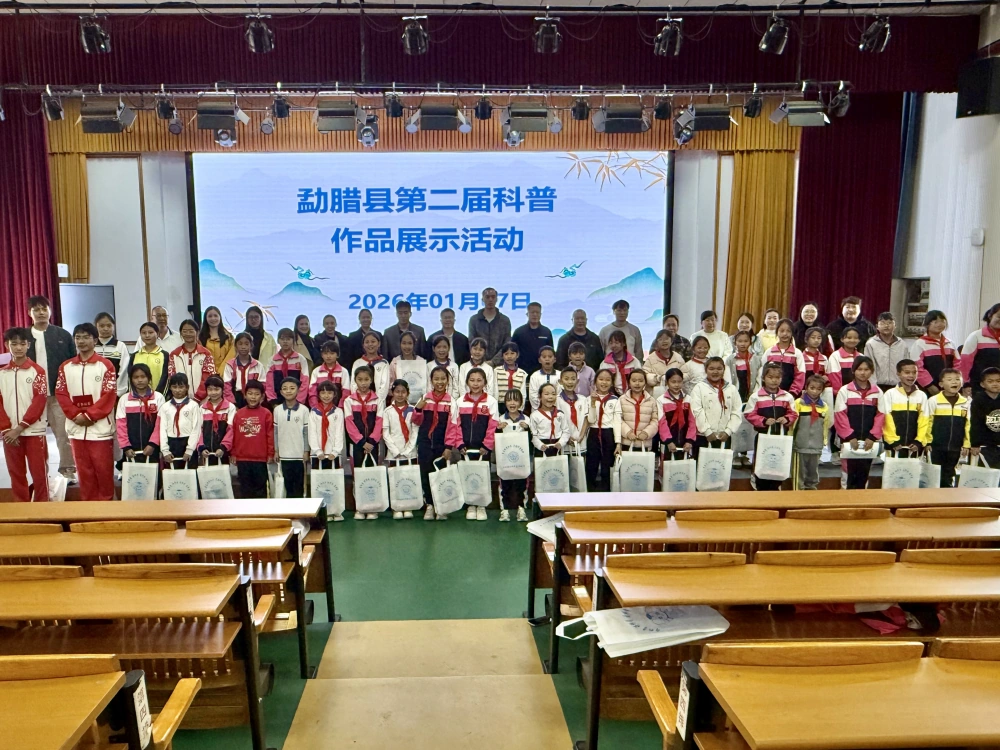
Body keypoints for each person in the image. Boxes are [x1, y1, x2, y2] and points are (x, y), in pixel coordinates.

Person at [54, 323, 117, 500]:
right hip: (76, 429)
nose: (81, 341)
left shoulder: (106, 365)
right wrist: (75, 415)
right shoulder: (65, 367)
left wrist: (90, 415)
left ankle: (107, 508)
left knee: (104, 472)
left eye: (86, 337)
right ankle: (88, 509)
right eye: (78, 337)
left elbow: (109, 394)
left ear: (95, 340)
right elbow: (61, 393)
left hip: (100, 430)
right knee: (84, 473)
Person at [25, 295, 76, 479]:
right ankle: (40, 475)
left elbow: (72, 363)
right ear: (29, 313)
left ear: (50, 311)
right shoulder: (23, 337)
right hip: (32, 396)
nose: (40, 313)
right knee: (34, 437)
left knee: (63, 434)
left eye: (44, 309)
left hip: (58, 395)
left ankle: (68, 471)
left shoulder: (63, 335)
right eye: (36, 309)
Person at [0, 327, 49, 501]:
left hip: (34, 431)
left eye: (22, 344)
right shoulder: (2, 373)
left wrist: (20, 427)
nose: (18, 347)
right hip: (9, 433)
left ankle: (43, 507)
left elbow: (39, 402)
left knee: (39, 473)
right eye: (14, 344)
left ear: (28, 345)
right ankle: (21, 507)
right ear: (7, 345)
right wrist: (7, 429)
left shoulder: (38, 371)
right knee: (16, 473)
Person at [447, 367, 499, 521]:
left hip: (483, 448)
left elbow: (493, 425)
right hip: (465, 447)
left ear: (485, 382)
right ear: (467, 382)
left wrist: (487, 445)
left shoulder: (491, 402)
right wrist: (459, 443)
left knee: (482, 475)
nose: (475, 384)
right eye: (472, 380)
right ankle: (470, 504)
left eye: (479, 380)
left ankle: (481, 505)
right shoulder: (460, 402)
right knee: (467, 475)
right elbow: (456, 425)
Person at [833, 356, 884, 490]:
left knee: (864, 473)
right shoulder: (845, 391)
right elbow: (840, 415)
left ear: (871, 371)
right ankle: (846, 499)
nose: (863, 373)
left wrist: (872, 436)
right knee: (847, 472)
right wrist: (849, 436)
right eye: (859, 369)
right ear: (853, 371)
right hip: (849, 440)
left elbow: (881, 416)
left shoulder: (877, 392)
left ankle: (862, 500)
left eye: (866, 369)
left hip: (868, 440)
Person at [745, 362, 798, 491]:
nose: (774, 380)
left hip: (781, 437)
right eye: (770, 377)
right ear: (763, 378)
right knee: (762, 461)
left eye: (777, 377)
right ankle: (759, 485)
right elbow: (749, 414)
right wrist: (763, 421)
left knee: (778, 462)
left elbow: (794, 413)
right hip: (762, 437)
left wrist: (786, 419)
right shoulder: (756, 396)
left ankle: (776, 486)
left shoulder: (787, 396)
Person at [414, 366, 456, 521]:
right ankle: (430, 505)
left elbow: (453, 426)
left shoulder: (451, 401)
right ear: (431, 381)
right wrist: (418, 410)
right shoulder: (425, 398)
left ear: (448, 381)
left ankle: (441, 507)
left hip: (441, 445)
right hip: (425, 443)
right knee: (425, 474)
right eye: (436, 379)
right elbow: (416, 421)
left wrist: (448, 447)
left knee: (440, 475)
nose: (440, 382)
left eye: (443, 379)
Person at [344, 366, 384, 519]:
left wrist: (372, 441)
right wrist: (361, 441)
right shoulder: (349, 401)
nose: (363, 383)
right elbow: (349, 423)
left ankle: (373, 507)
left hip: (373, 444)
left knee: (372, 474)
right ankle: (360, 507)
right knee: (358, 475)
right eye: (360, 379)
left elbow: (380, 421)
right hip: (356, 444)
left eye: (366, 379)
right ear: (355, 380)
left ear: (372, 380)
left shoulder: (378, 400)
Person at [688, 356, 742, 458]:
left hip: (724, 436)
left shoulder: (731, 389)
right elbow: (696, 411)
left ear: (724, 370)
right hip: (704, 436)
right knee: (702, 464)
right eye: (711, 369)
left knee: (721, 465)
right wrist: (707, 431)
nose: (715, 372)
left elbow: (736, 412)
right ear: (706, 370)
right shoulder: (699, 388)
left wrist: (728, 431)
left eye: (719, 369)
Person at [924, 368, 970, 487]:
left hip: (956, 446)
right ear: (941, 384)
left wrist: (967, 444)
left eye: (957, 379)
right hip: (936, 446)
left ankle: (948, 494)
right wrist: (927, 442)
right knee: (935, 473)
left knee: (950, 472)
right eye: (949, 379)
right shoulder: (933, 401)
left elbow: (968, 425)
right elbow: (927, 422)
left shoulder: (966, 402)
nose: (954, 382)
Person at [230, 380, 274, 498]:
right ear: (244, 395)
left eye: (256, 394)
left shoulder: (266, 413)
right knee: (245, 489)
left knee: (260, 490)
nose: (253, 397)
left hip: (260, 459)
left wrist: (270, 454)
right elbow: (234, 434)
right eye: (250, 393)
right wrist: (233, 453)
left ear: (262, 396)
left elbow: (270, 435)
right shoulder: (239, 414)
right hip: (242, 458)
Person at [115, 362, 163, 468]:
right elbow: (120, 425)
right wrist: (126, 447)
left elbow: (160, 424)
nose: (140, 380)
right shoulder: (124, 399)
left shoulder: (158, 398)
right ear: (131, 379)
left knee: (153, 476)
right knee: (134, 476)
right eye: (136, 377)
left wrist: (153, 444)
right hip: (131, 450)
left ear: (149, 378)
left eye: (143, 376)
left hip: (153, 449)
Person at [383, 379, 419, 520]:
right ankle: (396, 507)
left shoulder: (413, 410)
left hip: (410, 452)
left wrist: (408, 449)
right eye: (397, 391)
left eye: (403, 392)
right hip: (394, 452)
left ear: (408, 393)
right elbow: (386, 433)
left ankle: (408, 505)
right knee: (395, 479)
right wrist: (395, 451)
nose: (400, 395)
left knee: (409, 478)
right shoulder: (388, 411)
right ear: (392, 393)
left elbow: (415, 431)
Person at [308, 381, 345, 508]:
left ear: (334, 394)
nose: (326, 396)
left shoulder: (338, 412)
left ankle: (335, 509)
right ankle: (321, 510)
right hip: (317, 454)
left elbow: (339, 432)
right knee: (319, 484)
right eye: (323, 393)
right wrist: (317, 450)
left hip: (332, 454)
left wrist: (336, 451)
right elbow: (312, 433)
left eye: (329, 393)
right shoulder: (314, 412)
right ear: (318, 394)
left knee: (333, 483)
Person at [881, 359, 928, 456]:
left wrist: (919, 441)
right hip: (894, 446)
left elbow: (924, 420)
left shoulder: (922, 395)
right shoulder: (890, 394)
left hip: (914, 446)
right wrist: (892, 441)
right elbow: (886, 419)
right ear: (898, 373)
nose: (911, 376)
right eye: (907, 372)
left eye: (914, 372)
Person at [496, 389, 530, 522]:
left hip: (521, 460)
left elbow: (531, 439)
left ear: (521, 403)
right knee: (505, 484)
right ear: (505, 402)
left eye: (516, 400)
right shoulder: (500, 419)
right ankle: (504, 510)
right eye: (509, 400)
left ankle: (521, 509)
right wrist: (498, 429)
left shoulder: (526, 419)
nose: (512, 403)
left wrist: (527, 429)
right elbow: (496, 439)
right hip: (505, 460)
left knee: (522, 484)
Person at [273, 377, 310, 498]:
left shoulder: (304, 410)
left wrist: (306, 451)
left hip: (299, 456)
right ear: (281, 391)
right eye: (285, 388)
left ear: (298, 390)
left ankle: (299, 508)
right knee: (287, 486)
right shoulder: (277, 410)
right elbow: (276, 432)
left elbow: (306, 433)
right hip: (284, 455)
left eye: (292, 388)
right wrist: (276, 450)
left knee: (299, 486)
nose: (288, 391)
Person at [792, 374, 830, 490]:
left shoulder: (824, 406)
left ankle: (812, 492)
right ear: (806, 387)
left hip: (816, 446)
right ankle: (798, 494)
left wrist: (824, 441)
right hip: (800, 445)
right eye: (812, 388)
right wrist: (791, 439)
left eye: (818, 389)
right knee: (799, 474)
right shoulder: (798, 403)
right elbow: (793, 424)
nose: (814, 391)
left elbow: (825, 425)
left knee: (813, 473)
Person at [159, 373, 201, 471]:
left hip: (188, 441)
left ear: (187, 387)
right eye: (174, 387)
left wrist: (190, 449)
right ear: (170, 388)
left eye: (181, 387)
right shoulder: (165, 407)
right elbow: (162, 429)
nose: (178, 390)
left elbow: (196, 428)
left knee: (190, 474)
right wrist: (165, 450)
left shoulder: (193, 405)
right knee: (173, 474)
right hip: (171, 443)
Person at [912, 310, 960, 396]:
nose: (939, 324)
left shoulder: (950, 343)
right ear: (927, 324)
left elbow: (958, 364)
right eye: (935, 322)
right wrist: (929, 385)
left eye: (942, 321)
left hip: (949, 387)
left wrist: (954, 381)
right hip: (927, 388)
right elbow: (917, 367)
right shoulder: (920, 343)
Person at [585, 369, 619, 491]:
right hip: (593, 433)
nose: (604, 382)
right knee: (591, 464)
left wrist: (618, 443)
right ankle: (590, 491)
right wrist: (593, 403)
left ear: (612, 383)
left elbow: (617, 422)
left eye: (607, 380)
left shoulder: (615, 400)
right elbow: (591, 419)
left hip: (608, 433)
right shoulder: (589, 399)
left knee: (607, 465)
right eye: (601, 379)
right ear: (595, 382)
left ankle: (607, 492)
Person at [167, 319, 216, 402]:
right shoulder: (174, 354)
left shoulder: (206, 354)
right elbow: (172, 377)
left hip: (204, 400)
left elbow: (209, 377)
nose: (188, 334)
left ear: (197, 332)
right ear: (181, 333)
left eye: (191, 331)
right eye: (184, 331)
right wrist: (183, 397)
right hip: (180, 399)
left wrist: (198, 397)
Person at [615, 370, 661, 452]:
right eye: (634, 381)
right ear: (629, 382)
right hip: (626, 443)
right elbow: (618, 419)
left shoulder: (651, 401)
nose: (637, 383)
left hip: (645, 443)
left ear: (645, 383)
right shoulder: (622, 399)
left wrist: (646, 433)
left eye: (640, 381)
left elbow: (655, 420)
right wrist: (627, 432)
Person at [757, 318, 805, 396]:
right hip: (769, 394)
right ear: (777, 332)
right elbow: (761, 373)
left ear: (792, 333)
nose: (785, 334)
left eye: (788, 331)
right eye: (782, 331)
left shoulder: (797, 353)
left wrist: (793, 393)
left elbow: (800, 375)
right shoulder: (769, 352)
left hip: (791, 395)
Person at [960, 304, 1000, 394]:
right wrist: (965, 383)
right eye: (999, 316)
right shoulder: (976, 336)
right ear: (990, 315)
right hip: (979, 387)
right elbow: (965, 362)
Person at [468, 287, 513, 366]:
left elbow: (506, 344)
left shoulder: (504, 320)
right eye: (487, 297)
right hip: (479, 363)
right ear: (482, 299)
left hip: (500, 365)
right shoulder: (474, 320)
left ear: (497, 299)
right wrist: (482, 361)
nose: (490, 299)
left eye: (493, 297)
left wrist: (494, 362)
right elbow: (472, 342)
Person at [864, 312, 909, 391]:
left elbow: (906, 365)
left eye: (889, 323)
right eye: (882, 323)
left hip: (898, 386)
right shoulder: (871, 344)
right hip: (878, 385)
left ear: (895, 326)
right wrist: (873, 386)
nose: (886, 325)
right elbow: (869, 366)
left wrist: (905, 384)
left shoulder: (902, 344)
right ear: (877, 327)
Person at [265, 328, 310, 406]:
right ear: (278, 340)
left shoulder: (300, 359)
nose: (285, 341)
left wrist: (299, 400)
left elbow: (305, 381)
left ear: (293, 341)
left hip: (297, 401)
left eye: (288, 339)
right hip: (277, 400)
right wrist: (273, 400)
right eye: (282, 339)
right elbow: (269, 382)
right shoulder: (272, 360)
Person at [658, 367, 696, 459]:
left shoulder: (688, 399)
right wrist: (668, 441)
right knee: (667, 465)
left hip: (685, 441)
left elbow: (692, 421)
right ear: (667, 382)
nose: (676, 385)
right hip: (668, 442)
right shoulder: (661, 400)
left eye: (679, 382)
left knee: (684, 465)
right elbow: (661, 422)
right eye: (673, 382)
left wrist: (689, 440)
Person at [224, 332, 266, 410]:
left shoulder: (258, 365)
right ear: (235, 346)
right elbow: (227, 386)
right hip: (236, 397)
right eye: (240, 344)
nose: (243, 347)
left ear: (251, 346)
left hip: (253, 397)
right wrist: (232, 404)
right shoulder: (230, 365)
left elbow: (263, 385)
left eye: (246, 344)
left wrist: (258, 401)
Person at [199, 375, 235, 466]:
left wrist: (223, 447)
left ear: (222, 389)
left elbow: (231, 430)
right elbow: (198, 430)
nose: (213, 392)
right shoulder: (202, 408)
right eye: (210, 389)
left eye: (216, 389)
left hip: (223, 452)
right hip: (206, 453)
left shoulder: (230, 408)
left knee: (224, 474)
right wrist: (201, 447)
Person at [511, 302, 554, 376]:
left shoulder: (546, 332)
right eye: (532, 312)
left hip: (542, 372)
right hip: (521, 371)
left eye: (537, 312)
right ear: (527, 314)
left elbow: (551, 353)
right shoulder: (519, 332)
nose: (535, 315)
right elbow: (512, 351)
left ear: (541, 314)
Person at [94, 312, 131, 396]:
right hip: (95, 391)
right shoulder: (92, 346)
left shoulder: (120, 346)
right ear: (96, 326)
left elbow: (124, 370)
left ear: (114, 326)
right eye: (101, 326)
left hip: (115, 392)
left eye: (109, 325)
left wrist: (118, 392)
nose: (105, 329)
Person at [530, 383, 571, 457]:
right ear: (540, 397)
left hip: (557, 446)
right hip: (542, 447)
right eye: (546, 394)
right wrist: (540, 445)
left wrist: (561, 443)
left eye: (553, 394)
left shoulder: (560, 414)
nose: (550, 397)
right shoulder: (535, 415)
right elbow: (533, 435)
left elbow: (566, 431)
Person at [970, 367, 1000, 468]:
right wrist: (975, 444)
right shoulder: (978, 400)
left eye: (998, 381)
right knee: (987, 473)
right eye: (990, 381)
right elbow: (975, 423)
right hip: (985, 446)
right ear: (982, 384)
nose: (995, 384)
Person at [388, 331, 428, 405]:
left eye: (410, 343)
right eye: (404, 343)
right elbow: (390, 384)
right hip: (399, 402)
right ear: (400, 344)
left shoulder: (420, 361)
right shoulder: (395, 362)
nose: (407, 346)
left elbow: (426, 383)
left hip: (419, 402)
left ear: (414, 344)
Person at [557, 369, 589, 462]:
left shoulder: (583, 399)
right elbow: (556, 421)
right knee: (564, 468)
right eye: (566, 379)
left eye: (573, 379)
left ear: (577, 381)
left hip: (580, 442)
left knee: (580, 468)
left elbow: (586, 419)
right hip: (563, 442)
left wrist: (581, 436)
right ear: (560, 381)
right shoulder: (557, 400)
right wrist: (566, 438)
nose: (570, 382)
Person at [599, 300, 644, 364]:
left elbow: (639, 352)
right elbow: (600, 352)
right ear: (614, 311)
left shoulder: (635, 330)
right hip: (610, 366)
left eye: (625, 310)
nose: (622, 313)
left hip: (631, 366)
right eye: (619, 310)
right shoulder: (604, 330)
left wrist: (638, 366)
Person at [643, 330, 685, 398]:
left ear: (671, 341)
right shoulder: (651, 358)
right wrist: (658, 378)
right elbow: (645, 375)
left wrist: (674, 379)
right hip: (655, 396)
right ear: (656, 343)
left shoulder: (678, 358)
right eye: (661, 339)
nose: (664, 341)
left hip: (675, 395)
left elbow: (685, 374)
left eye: (666, 338)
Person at [351, 331, 390, 403]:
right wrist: (359, 400)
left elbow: (384, 386)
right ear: (363, 345)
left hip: (378, 403)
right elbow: (353, 384)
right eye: (367, 342)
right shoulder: (357, 363)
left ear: (379, 344)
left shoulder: (384, 363)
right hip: (359, 403)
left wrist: (376, 402)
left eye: (373, 341)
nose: (370, 344)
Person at [599, 330, 640, 397]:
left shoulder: (634, 361)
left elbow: (640, 379)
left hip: (632, 395)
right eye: (611, 343)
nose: (613, 345)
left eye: (616, 342)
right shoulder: (605, 363)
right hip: (611, 396)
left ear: (624, 343)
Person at [309, 340, 349, 408]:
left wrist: (340, 408)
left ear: (338, 355)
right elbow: (312, 392)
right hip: (319, 408)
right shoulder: (316, 371)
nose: (328, 356)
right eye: (325, 353)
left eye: (332, 353)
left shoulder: (343, 371)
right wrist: (316, 407)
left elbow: (346, 392)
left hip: (338, 408)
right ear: (322, 355)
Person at [132, 322, 169, 395]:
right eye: (144, 333)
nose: (147, 335)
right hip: (138, 396)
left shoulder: (164, 355)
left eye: (150, 332)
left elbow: (166, 378)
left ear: (157, 334)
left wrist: (158, 396)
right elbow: (131, 377)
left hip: (159, 396)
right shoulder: (135, 355)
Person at [726, 331, 760, 405]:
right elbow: (726, 378)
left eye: (746, 341)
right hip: (735, 393)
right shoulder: (730, 359)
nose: (743, 344)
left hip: (751, 394)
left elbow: (759, 378)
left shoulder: (756, 359)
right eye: (740, 341)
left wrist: (755, 393)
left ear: (750, 342)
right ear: (735, 343)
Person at [826, 327, 861, 396]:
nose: (852, 340)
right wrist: (840, 393)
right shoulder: (835, 356)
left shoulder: (861, 357)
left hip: (858, 394)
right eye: (849, 338)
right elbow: (834, 376)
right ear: (842, 339)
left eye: (855, 338)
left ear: (859, 340)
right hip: (841, 394)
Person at [199, 306, 234, 373]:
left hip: (226, 374)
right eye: (210, 316)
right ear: (205, 318)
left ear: (220, 317)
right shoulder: (200, 338)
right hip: (206, 374)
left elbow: (231, 356)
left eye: (215, 316)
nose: (213, 318)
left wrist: (221, 372)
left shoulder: (229, 337)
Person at [426, 334, 461, 402]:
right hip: (433, 401)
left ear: (449, 348)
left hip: (450, 401)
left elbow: (456, 387)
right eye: (438, 347)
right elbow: (429, 386)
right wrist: (433, 400)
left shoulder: (454, 366)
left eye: (444, 347)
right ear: (433, 349)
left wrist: (451, 400)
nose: (441, 350)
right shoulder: (429, 366)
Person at [494, 341, 529, 406]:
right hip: (500, 404)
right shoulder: (496, 371)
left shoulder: (523, 374)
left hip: (516, 405)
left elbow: (523, 394)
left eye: (512, 353)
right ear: (502, 356)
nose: (509, 356)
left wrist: (520, 408)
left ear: (517, 355)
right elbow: (495, 392)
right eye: (506, 354)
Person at [528, 346, 561, 411]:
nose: (547, 359)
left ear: (554, 359)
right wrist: (544, 407)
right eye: (544, 357)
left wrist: (552, 407)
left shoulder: (560, 375)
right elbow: (533, 396)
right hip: (538, 411)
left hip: (556, 411)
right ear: (539, 360)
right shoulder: (534, 376)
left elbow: (560, 395)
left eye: (550, 357)